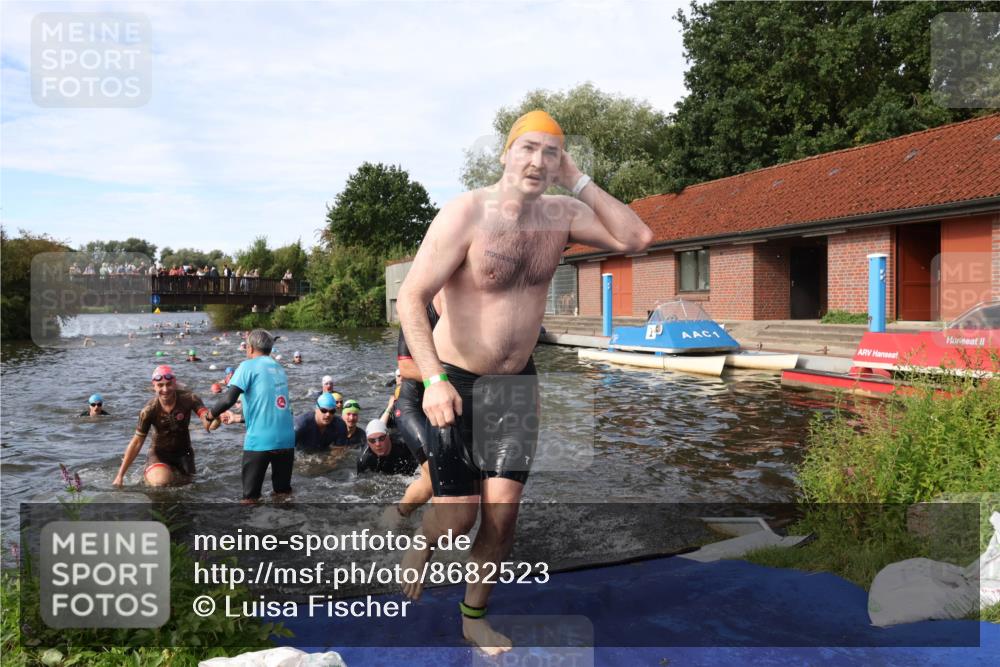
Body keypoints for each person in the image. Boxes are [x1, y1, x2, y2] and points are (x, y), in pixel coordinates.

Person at [395, 110, 652, 654]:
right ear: (506, 153)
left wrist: (578, 178)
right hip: (456, 381)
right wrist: (435, 380)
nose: (538, 161)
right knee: (459, 516)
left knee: (503, 518)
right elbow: (411, 298)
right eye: (529, 148)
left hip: (514, 385)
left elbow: (637, 237)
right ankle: (424, 539)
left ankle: (473, 616)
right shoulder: (465, 213)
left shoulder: (563, 213)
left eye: (552, 152)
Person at [206, 329, 295, 503]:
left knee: (250, 498)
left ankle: (250, 529)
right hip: (287, 439)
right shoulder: (279, 368)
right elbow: (270, 410)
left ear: (250, 348)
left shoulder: (247, 366)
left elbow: (228, 399)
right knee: (283, 494)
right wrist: (237, 418)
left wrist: (210, 416)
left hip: (260, 441)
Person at [113, 365, 217, 487]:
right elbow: (136, 442)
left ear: (175, 383)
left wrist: (215, 418)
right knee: (160, 483)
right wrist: (120, 475)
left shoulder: (190, 399)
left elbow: (207, 421)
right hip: (159, 454)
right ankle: (153, 472)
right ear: (154, 387)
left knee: (188, 488)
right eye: (160, 385)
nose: (165, 389)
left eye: (168, 384)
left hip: (184, 454)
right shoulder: (149, 410)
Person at [294, 392, 349, 458]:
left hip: (321, 452)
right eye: (324, 410)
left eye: (332, 411)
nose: (328, 414)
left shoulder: (340, 426)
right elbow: (286, 450)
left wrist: (329, 464)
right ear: (316, 409)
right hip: (300, 453)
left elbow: (338, 453)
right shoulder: (301, 425)